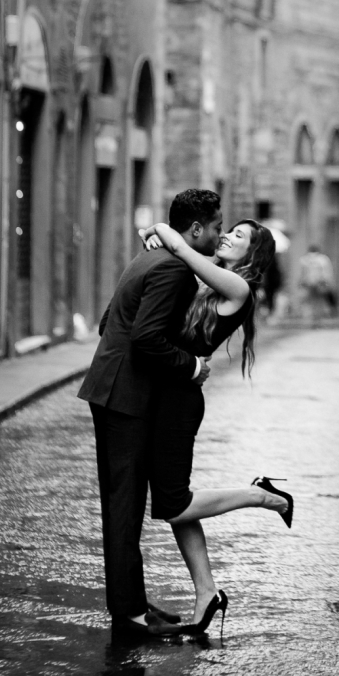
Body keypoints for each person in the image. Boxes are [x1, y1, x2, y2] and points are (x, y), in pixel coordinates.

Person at [77, 189, 223, 638]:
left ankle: (132, 603)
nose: (219, 233)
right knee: (124, 508)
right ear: (195, 229)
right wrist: (193, 365)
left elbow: (107, 323)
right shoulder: (175, 269)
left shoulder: (149, 257)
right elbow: (146, 339)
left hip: (114, 390)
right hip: (125, 397)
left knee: (125, 505)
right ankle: (130, 617)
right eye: (216, 225)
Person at [141, 218, 293, 637]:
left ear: (253, 254)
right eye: (229, 231)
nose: (226, 236)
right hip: (170, 394)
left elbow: (184, 251)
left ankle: (259, 495)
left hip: (179, 403)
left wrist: (159, 228)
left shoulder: (238, 289)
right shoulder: (213, 283)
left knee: (173, 504)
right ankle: (206, 593)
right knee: (176, 506)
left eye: (238, 236)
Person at [298, 244, 335, 325]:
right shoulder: (323, 259)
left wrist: (301, 283)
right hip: (320, 283)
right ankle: (318, 319)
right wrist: (327, 282)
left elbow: (301, 274)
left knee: (310, 302)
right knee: (319, 302)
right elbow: (328, 272)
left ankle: (312, 319)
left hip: (309, 283)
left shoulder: (304, 259)